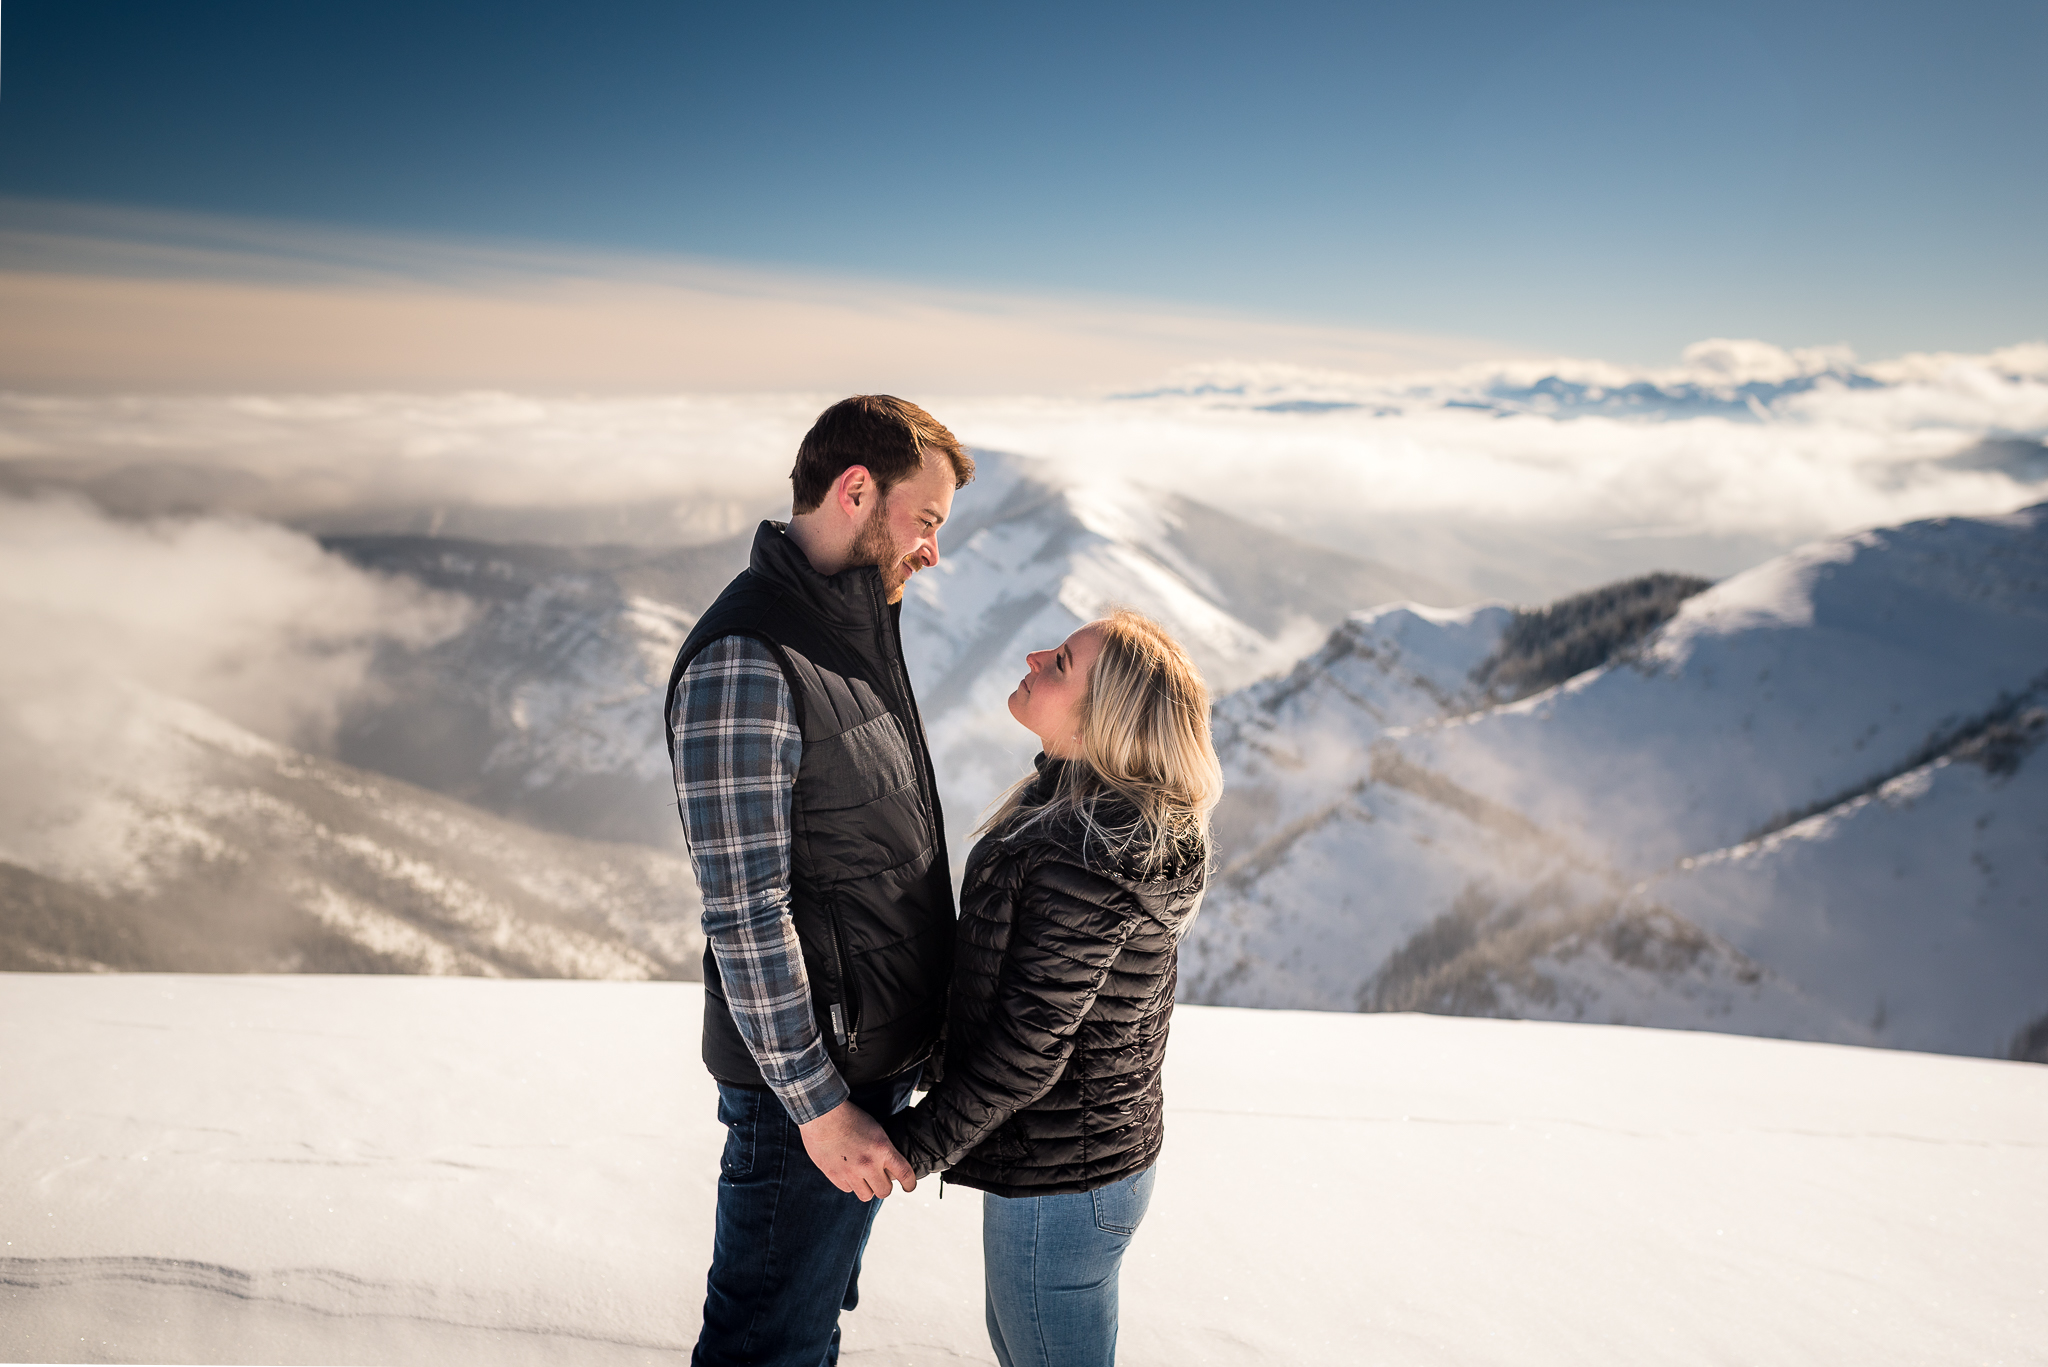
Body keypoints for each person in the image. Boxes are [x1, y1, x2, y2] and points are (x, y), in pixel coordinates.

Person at [664, 395, 974, 1367]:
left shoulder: (849, 623)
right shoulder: (747, 657)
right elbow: (744, 913)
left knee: (803, 1327)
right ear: (855, 492)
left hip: (861, 1071)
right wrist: (818, 1109)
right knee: (767, 1345)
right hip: (810, 1095)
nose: (931, 549)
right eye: (924, 520)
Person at [884, 608, 1222, 1367]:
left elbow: (1029, 1047)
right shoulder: (1081, 815)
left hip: (1064, 1182)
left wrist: (911, 1146)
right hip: (1076, 1165)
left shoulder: (1085, 852)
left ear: (1104, 716)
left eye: (1063, 662)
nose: (1036, 654)